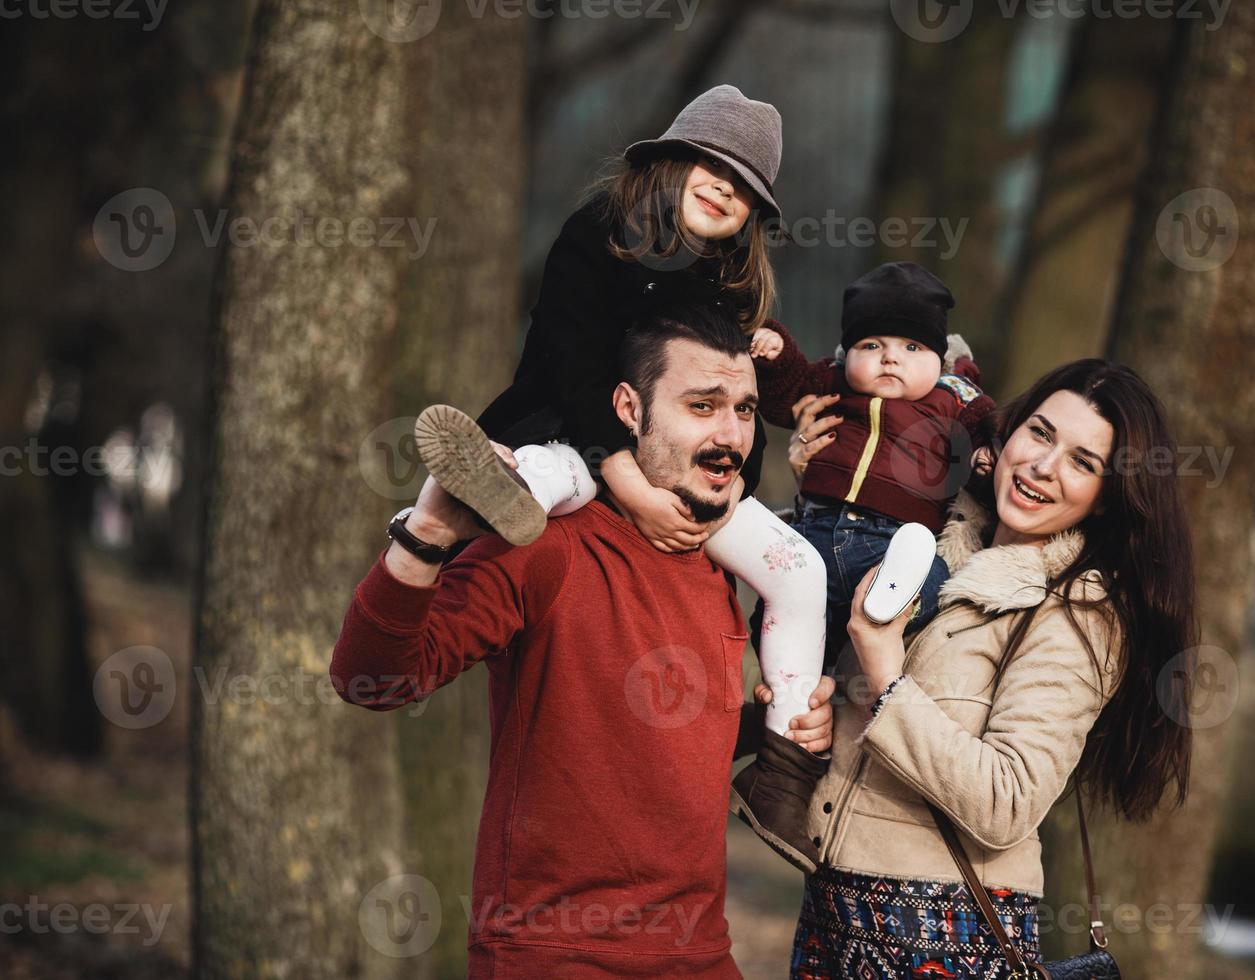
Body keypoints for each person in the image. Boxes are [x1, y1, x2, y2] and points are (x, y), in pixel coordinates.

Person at [330, 299, 836, 979]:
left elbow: (642, 723)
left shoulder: (718, 561)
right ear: (629, 408)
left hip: (701, 954)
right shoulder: (548, 548)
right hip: (554, 955)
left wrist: (779, 726)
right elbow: (374, 679)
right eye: (703, 405)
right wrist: (424, 538)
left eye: (744, 409)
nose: (731, 434)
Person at [414, 84, 840, 860]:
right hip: (576, 435)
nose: (727, 188)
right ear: (671, 162)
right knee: (545, 481)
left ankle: (781, 773)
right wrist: (627, 480)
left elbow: (734, 404)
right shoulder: (597, 238)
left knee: (801, 570)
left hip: (690, 474)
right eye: (713, 165)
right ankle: (451, 517)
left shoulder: (726, 287)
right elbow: (567, 360)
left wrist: (737, 484)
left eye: (747, 189)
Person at [777, 360, 1199, 978]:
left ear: (1109, 497)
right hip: (835, 910)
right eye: (1041, 433)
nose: (1044, 467)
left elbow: (1007, 801)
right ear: (1006, 435)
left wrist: (886, 671)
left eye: (1084, 462)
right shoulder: (930, 551)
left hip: (943, 937)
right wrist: (828, 714)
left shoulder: (1078, 614)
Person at [729, 261, 999, 870]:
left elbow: (995, 424)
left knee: (926, 574)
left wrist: (987, 451)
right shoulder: (834, 386)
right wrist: (774, 350)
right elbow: (785, 391)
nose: (889, 360)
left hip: (892, 539)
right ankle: (777, 770)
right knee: (796, 643)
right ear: (847, 351)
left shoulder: (954, 400)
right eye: (871, 346)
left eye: (910, 347)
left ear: (937, 355)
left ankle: (890, 595)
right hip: (817, 535)